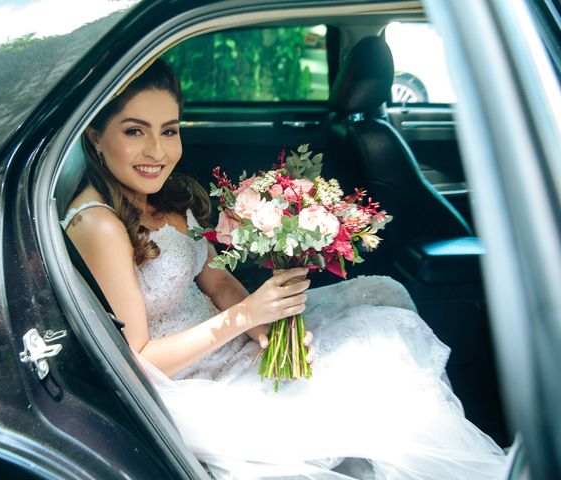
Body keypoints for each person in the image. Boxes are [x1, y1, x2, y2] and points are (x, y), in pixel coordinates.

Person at [61, 59, 507, 479]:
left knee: (384, 319)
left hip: (229, 340)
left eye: (170, 130)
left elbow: (217, 280)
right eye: (135, 131)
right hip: (187, 385)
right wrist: (244, 318)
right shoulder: (100, 224)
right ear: (96, 136)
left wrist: (266, 334)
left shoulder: (163, 195)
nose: (157, 150)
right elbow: (134, 361)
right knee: (373, 382)